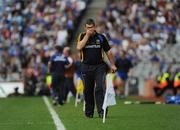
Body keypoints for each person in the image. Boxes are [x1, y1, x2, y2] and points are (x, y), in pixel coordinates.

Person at [76, 18, 117, 118]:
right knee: (87, 90)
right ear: (85, 28)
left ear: (94, 27)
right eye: (88, 28)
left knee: (99, 88)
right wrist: (87, 36)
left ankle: (102, 111)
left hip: (99, 66)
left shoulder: (101, 37)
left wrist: (112, 64)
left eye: (91, 27)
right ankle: (89, 112)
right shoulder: (82, 36)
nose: (90, 29)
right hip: (85, 66)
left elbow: (108, 52)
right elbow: (79, 47)